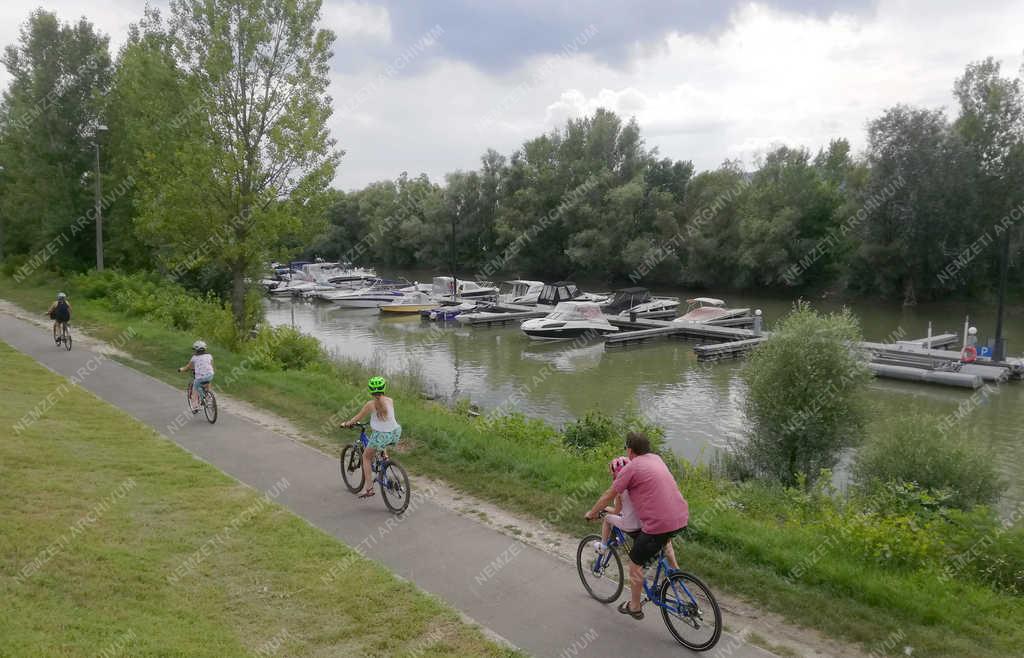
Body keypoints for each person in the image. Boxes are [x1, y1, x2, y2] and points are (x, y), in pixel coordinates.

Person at [586, 431, 688, 621]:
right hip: (681, 517)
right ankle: (675, 572)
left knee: (635, 563)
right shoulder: (657, 459)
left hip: (658, 524)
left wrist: (592, 513)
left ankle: (634, 606)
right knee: (661, 541)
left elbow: (609, 495)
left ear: (630, 450)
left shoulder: (631, 468)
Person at [342, 376, 402, 499]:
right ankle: (384, 457)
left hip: (381, 435)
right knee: (381, 436)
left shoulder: (370, 405)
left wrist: (347, 423)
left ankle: (369, 488)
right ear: (384, 388)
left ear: (371, 390)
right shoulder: (390, 400)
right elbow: (387, 422)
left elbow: (357, 418)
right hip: (395, 433)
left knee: (366, 457)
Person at [592, 456, 640, 554]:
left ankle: (603, 546)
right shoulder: (638, 485)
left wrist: (604, 508)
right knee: (624, 516)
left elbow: (616, 511)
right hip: (643, 522)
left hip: (631, 524)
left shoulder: (619, 491)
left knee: (607, 519)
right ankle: (619, 539)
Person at [177, 340, 214, 412]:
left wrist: (181, 369)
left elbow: (188, 367)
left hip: (200, 378)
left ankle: (195, 407)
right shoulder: (209, 356)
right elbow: (210, 365)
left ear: (196, 350)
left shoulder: (194, 358)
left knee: (195, 390)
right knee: (207, 382)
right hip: (210, 375)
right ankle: (209, 398)